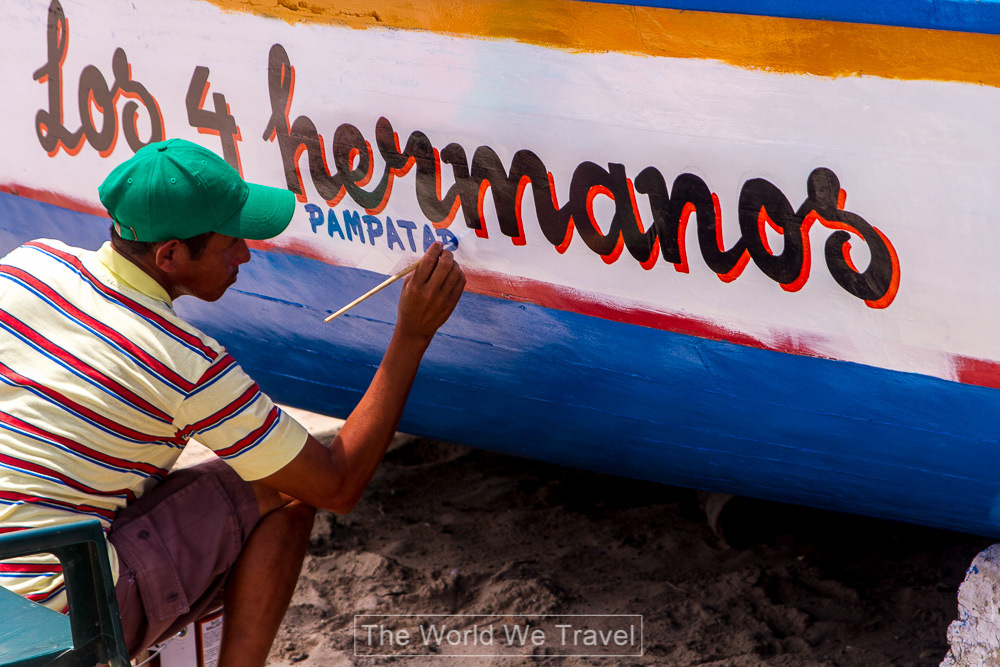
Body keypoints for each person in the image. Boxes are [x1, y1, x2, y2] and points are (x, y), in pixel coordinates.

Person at [0, 138, 465, 664]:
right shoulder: (184, 362)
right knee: (286, 487)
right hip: (59, 624)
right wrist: (411, 336)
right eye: (230, 243)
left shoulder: (28, 265)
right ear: (170, 254)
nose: (246, 252)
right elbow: (337, 483)